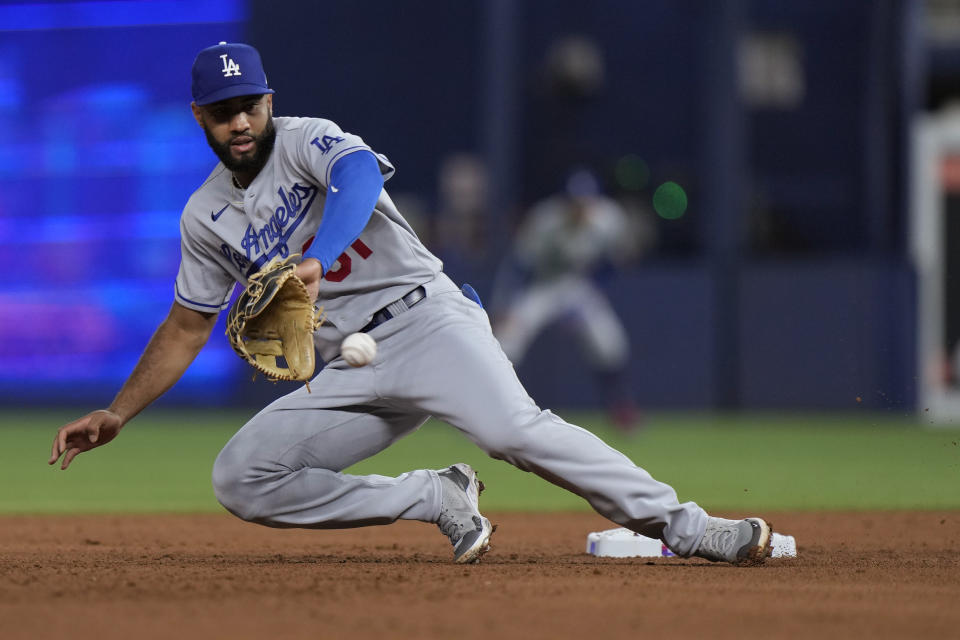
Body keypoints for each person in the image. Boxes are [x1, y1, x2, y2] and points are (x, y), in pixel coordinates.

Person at [48, 42, 773, 566]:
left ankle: (687, 526)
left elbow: (358, 177)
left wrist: (316, 261)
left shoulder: (306, 141)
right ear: (199, 118)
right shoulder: (203, 218)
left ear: (269, 103)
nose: (239, 122)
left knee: (515, 432)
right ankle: (432, 494)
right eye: (222, 112)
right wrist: (119, 411)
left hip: (427, 319)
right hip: (351, 366)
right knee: (240, 478)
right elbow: (186, 324)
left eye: (249, 106)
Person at [492, 168, 640, 430]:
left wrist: (593, 291)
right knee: (508, 342)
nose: (581, 208)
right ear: (565, 201)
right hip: (542, 286)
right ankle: (491, 406)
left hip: (578, 285)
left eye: (586, 202)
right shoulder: (545, 219)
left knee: (609, 342)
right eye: (575, 202)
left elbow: (611, 263)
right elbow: (519, 266)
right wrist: (505, 305)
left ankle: (621, 408)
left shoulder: (608, 218)